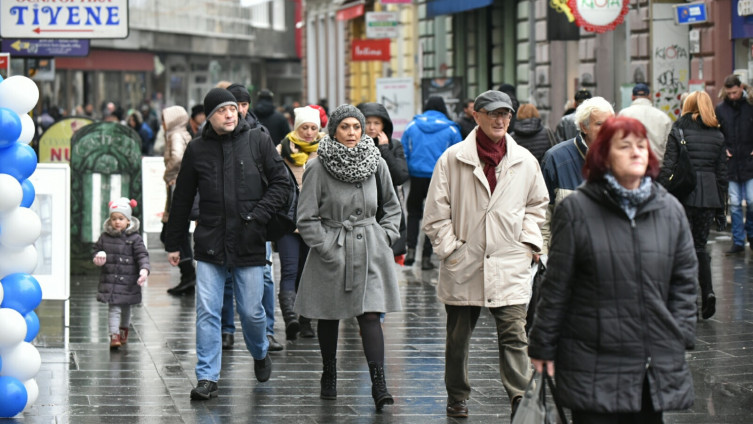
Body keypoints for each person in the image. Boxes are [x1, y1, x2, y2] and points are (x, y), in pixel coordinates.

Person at [528, 116, 698, 424]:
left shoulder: (669, 210)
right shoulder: (577, 209)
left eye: (641, 145)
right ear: (603, 154)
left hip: (649, 365)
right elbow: (556, 287)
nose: (636, 152)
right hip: (592, 363)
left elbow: (685, 281)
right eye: (625, 146)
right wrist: (542, 345)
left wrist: (680, 333)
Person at [422, 90, 549, 419]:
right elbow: (435, 214)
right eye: (493, 113)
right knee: (458, 337)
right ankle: (458, 394)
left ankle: (520, 398)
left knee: (514, 333)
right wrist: (451, 249)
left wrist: (530, 243)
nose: (500, 120)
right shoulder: (452, 158)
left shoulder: (524, 161)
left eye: (506, 114)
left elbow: (538, 207)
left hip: (510, 261)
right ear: (476, 115)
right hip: (465, 262)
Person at [163, 88, 290, 399]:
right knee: (207, 310)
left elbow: (282, 183)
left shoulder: (258, 139)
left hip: (250, 238)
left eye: (233, 108)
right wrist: (173, 241)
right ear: (209, 116)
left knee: (251, 312)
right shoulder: (197, 149)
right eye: (222, 110)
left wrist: (258, 216)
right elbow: (182, 199)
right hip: (209, 239)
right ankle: (207, 377)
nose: (230, 114)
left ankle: (260, 352)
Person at [294, 104, 402, 411]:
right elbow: (306, 217)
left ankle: (379, 384)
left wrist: (386, 236)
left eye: (357, 126)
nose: (352, 133)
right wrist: (326, 246)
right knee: (329, 315)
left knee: (370, 315)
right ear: (334, 130)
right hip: (333, 247)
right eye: (346, 127)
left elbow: (392, 206)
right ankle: (329, 371)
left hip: (369, 248)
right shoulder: (317, 166)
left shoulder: (376, 160)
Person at [223, 83, 283, 352]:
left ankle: (268, 330)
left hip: (258, 218)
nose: (240, 110)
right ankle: (226, 330)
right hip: (225, 219)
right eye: (236, 104)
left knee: (266, 276)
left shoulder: (260, 132)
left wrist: (264, 212)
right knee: (224, 276)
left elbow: (276, 179)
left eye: (244, 104)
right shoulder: (212, 133)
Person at [658, 91, 727, 320]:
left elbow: (668, 166)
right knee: (700, 246)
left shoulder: (679, 129)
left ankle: (689, 301)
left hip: (683, 194)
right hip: (708, 196)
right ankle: (707, 292)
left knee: (683, 249)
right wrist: (721, 208)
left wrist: (659, 195)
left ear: (687, 105)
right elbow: (721, 174)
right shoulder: (717, 135)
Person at [275, 105, 323, 340]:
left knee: (308, 273)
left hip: (314, 221)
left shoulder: (325, 151)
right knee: (290, 270)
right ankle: (291, 319)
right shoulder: (281, 150)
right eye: (304, 127)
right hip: (288, 221)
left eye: (313, 128)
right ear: (297, 127)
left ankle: (306, 322)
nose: (309, 132)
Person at [402, 96, 463, 270]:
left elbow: (404, 149)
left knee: (413, 213)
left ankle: (411, 249)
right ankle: (427, 257)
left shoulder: (413, 125)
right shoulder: (451, 128)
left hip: (416, 175)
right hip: (440, 178)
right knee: (435, 216)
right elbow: (459, 154)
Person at [93, 197, 150, 349]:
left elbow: (142, 255)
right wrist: (97, 258)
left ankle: (124, 331)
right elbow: (96, 251)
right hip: (111, 281)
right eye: (114, 219)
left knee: (126, 308)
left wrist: (144, 269)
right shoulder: (105, 238)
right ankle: (114, 335)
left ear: (128, 220)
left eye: (121, 218)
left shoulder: (135, 238)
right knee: (114, 308)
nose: (117, 222)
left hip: (129, 281)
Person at [357, 102, 410, 259]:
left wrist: (384, 150)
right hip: (361, 208)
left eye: (377, 123)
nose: (372, 127)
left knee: (384, 261)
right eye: (367, 122)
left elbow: (400, 176)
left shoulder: (394, 146)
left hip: (386, 208)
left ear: (384, 125)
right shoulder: (351, 146)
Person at [542, 96, 615, 207]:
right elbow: (543, 214)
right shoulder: (555, 159)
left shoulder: (621, 159)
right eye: (599, 124)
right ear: (584, 127)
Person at [160, 106, 197, 296]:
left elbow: (176, 157)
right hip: (179, 185)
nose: (162, 123)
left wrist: (169, 175)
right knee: (176, 230)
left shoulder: (175, 135)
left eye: (165, 119)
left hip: (176, 185)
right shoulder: (183, 133)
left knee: (174, 230)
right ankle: (187, 273)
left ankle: (188, 273)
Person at [716, 74, 753, 254]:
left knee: (752, 202)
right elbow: (716, 132)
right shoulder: (721, 109)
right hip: (732, 163)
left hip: (749, 161)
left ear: (741, 88)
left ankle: (751, 235)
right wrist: (723, 148)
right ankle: (738, 241)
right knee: (736, 204)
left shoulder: (750, 106)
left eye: (735, 92)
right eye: (729, 93)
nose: (732, 96)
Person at [619, 83, 673, 164]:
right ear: (649, 96)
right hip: (657, 167)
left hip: (632, 165)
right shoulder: (663, 117)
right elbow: (669, 147)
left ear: (632, 96)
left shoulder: (623, 115)